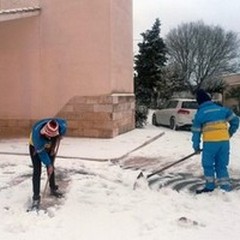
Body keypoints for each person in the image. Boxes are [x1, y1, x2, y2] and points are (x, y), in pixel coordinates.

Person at [191, 89, 239, 194]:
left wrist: (196, 146)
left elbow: (196, 132)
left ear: (199, 102)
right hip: (224, 143)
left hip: (210, 143)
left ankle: (210, 186)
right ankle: (225, 187)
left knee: (208, 164)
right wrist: (229, 133)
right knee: (221, 165)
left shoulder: (200, 114)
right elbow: (235, 120)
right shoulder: (222, 109)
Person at [29, 118, 67, 207]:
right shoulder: (37, 137)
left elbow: (64, 127)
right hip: (35, 147)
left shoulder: (61, 125)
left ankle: (53, 188)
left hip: (50, 143)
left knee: (51, 167)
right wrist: (48, 164)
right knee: (37, 170)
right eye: (48, 136)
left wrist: (58, 139)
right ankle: (36, 197)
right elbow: (42, 153)